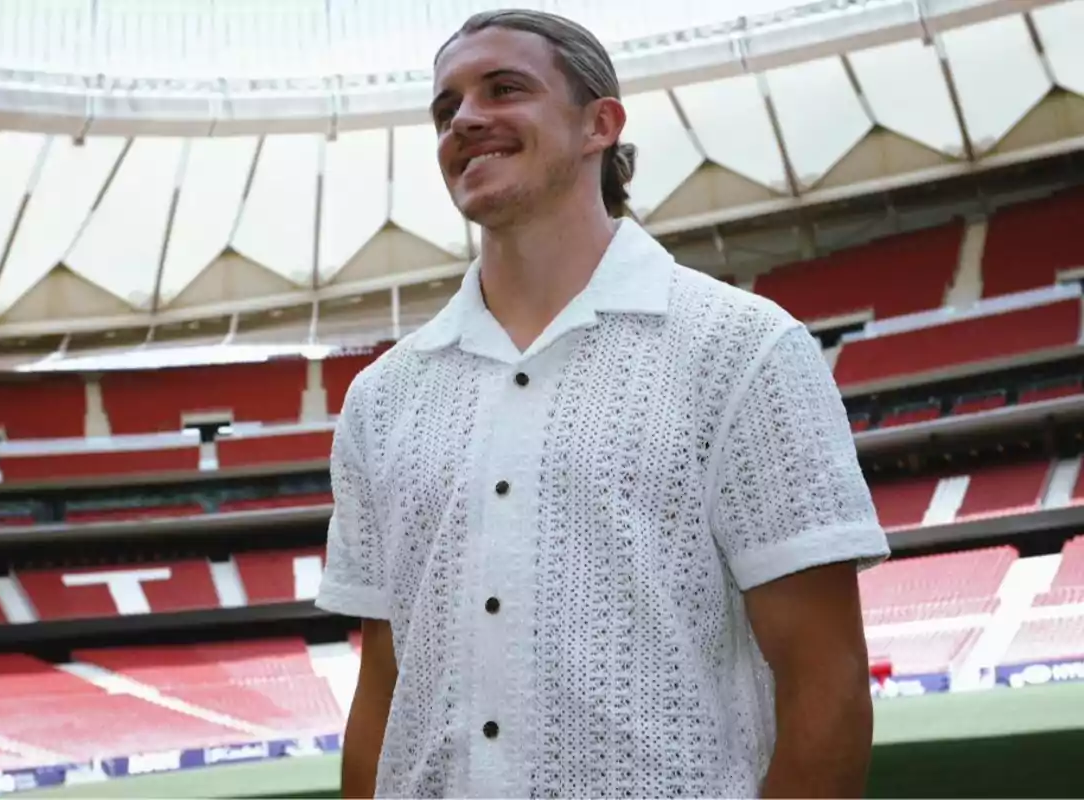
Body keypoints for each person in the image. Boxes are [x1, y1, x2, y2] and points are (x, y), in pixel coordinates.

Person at [316, 9, 890, 799]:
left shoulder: (743, 348)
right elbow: (383, 684)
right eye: (447, 109)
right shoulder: (380, 399)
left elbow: (825, 676)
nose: (467, 120)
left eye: (504, 89)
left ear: (600, 125)